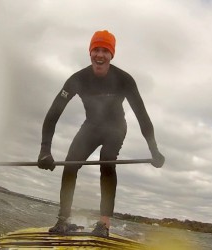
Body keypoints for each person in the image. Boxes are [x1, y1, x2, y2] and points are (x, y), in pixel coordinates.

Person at [37, 30, 165, 237]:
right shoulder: (76, 79)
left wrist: (154, 150)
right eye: (96, 49)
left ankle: (104, 224)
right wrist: (44, 150)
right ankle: (63, 220)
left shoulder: (125, 80)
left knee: (107, 161)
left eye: (105, 50)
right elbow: (53, 114)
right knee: (70, 164)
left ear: (112, 54)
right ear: (90, 52)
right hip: (91, 126)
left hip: (115, 127)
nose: (100, 55)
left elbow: (142, 116)